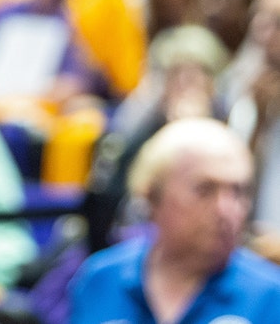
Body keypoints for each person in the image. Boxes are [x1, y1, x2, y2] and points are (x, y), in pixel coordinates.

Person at [68, 117, 280, 323]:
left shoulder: (270, 296)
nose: (226, 209)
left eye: (238, 192)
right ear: (152, 196)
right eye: (204, 189)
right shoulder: (101, 279)